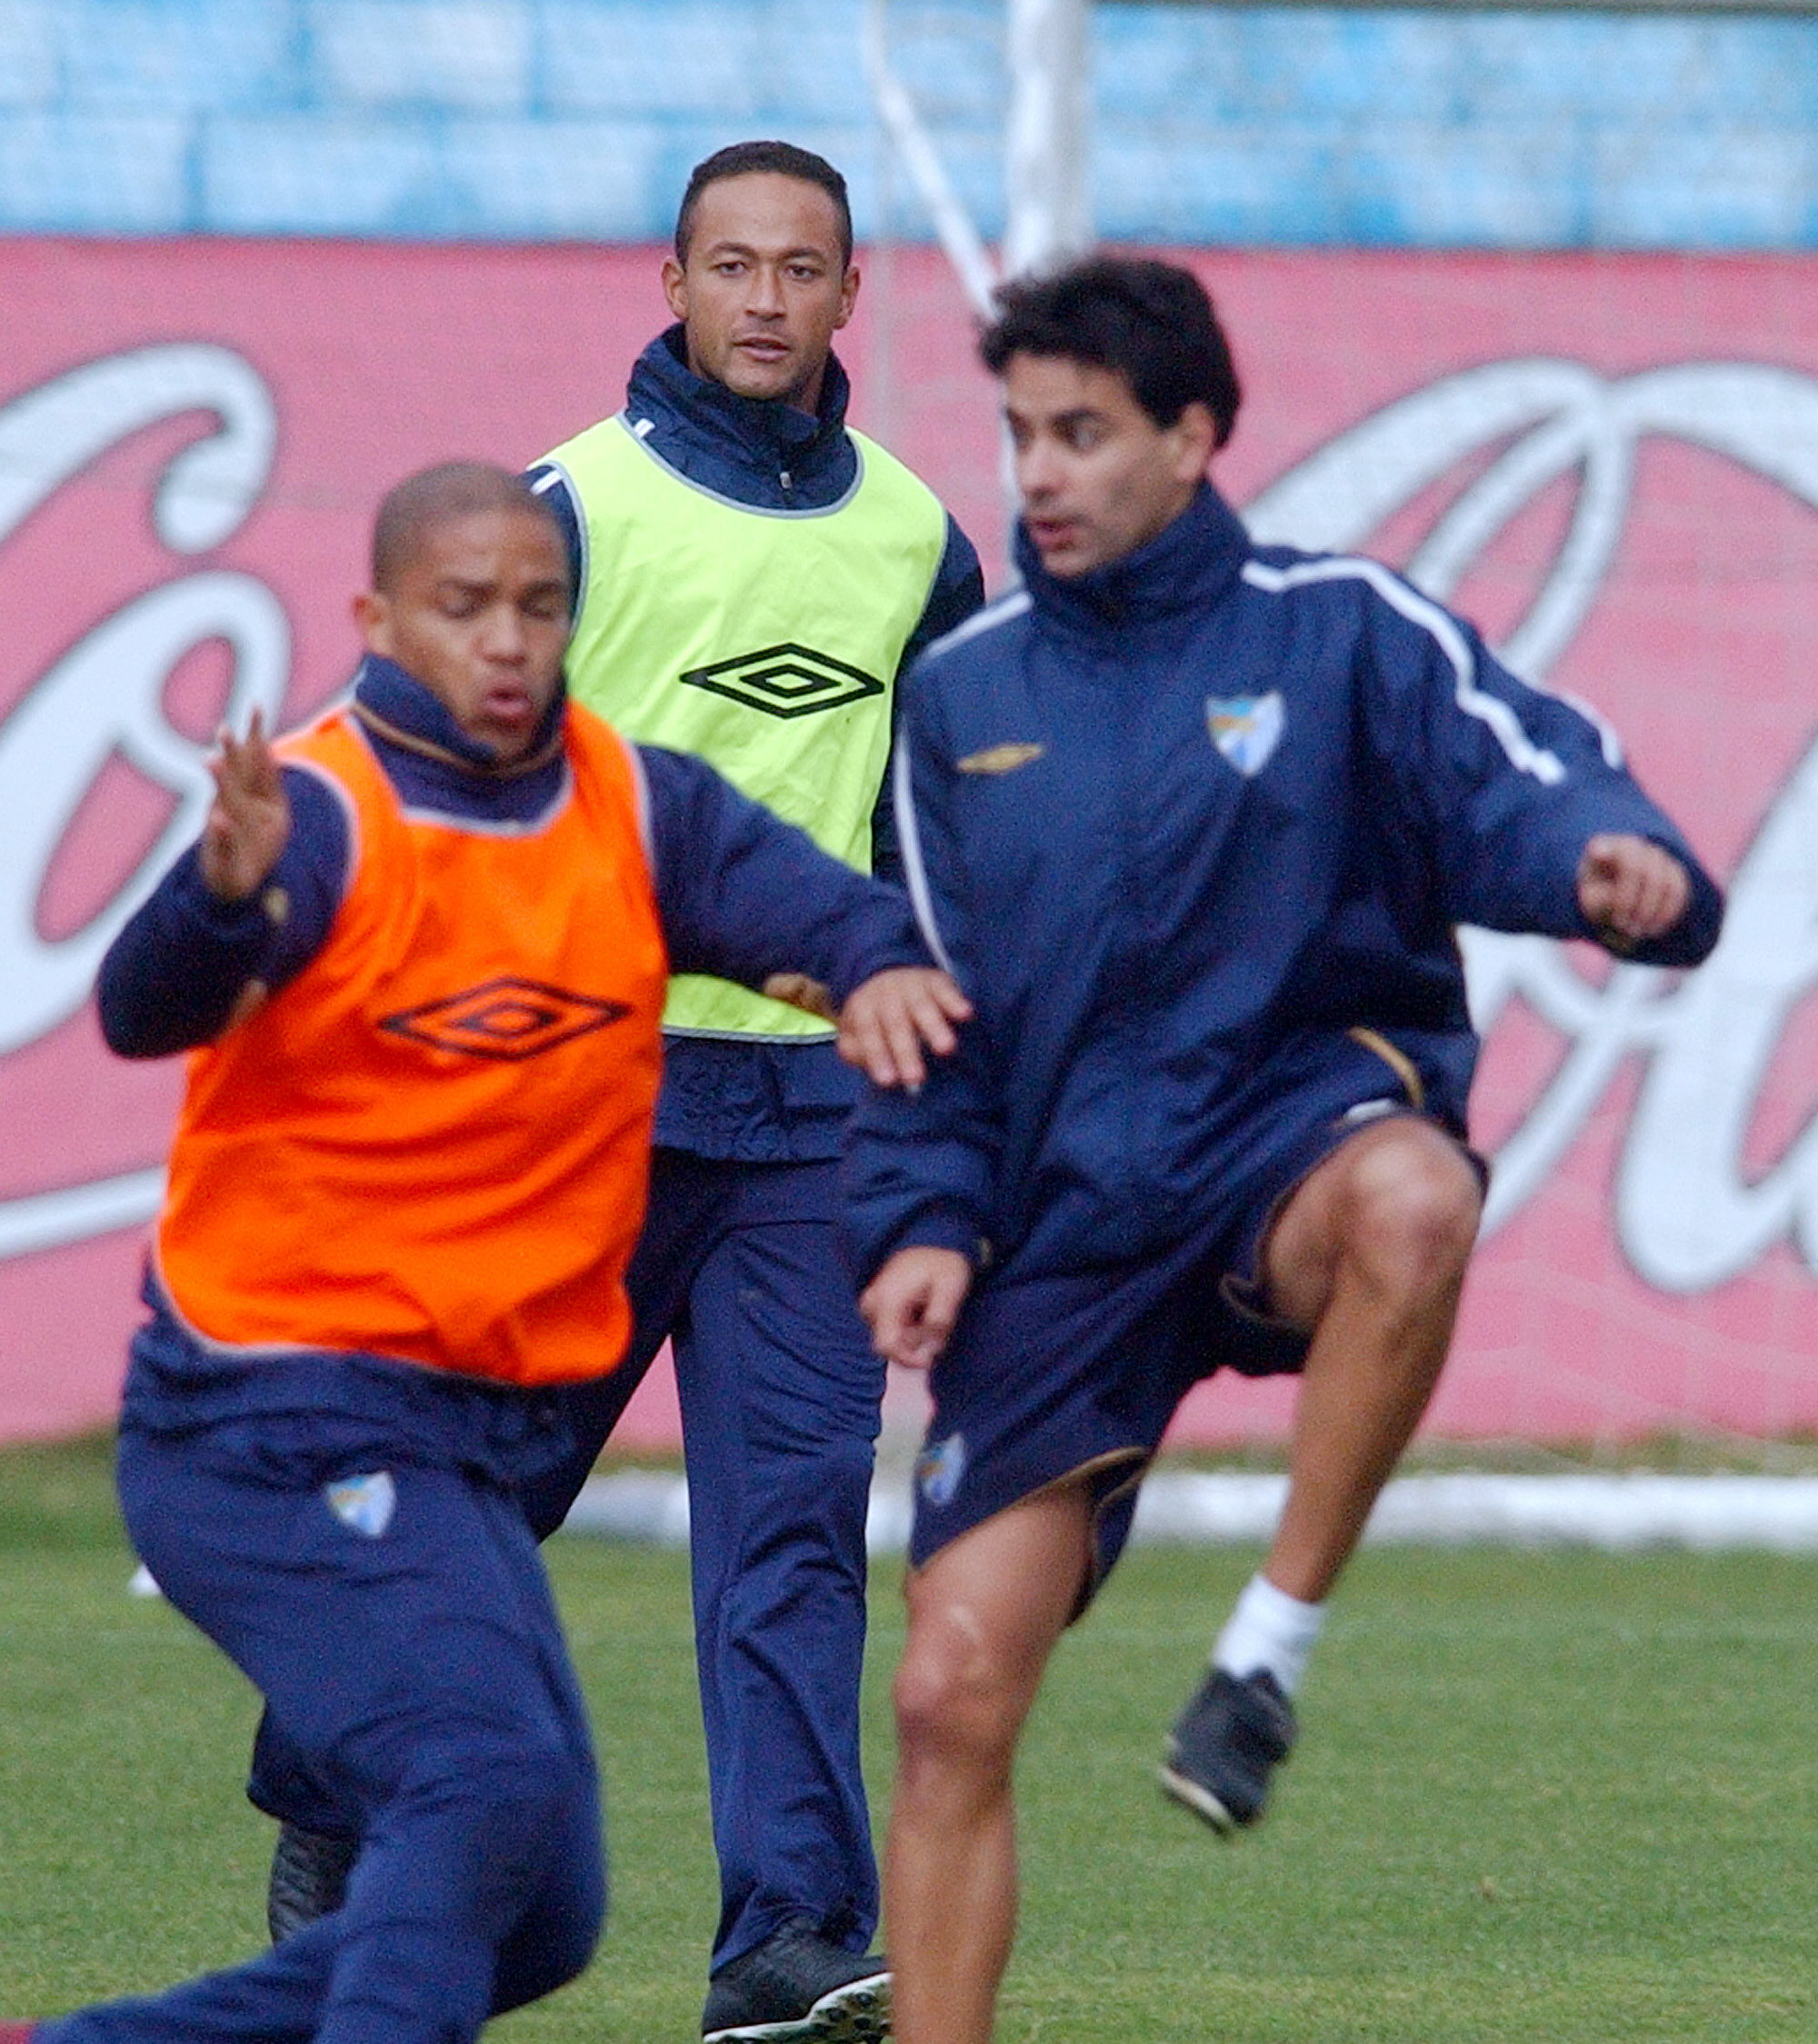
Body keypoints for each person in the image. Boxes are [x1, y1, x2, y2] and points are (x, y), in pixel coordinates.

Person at [843, 256, 1725, 2044]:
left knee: (1418, 1196)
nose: (1040, 476)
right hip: (1064, 1230)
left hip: (1287, 1149)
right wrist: (928, 1217)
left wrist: (1614, 869)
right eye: (1019, 435)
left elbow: (1534, 784)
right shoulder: (959, 699)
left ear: (1191, 435)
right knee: (945, 1698)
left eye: (1082, 434)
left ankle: (1264, 1656)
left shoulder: (1345, 633)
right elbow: (929, 1008)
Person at [5, 463, 963, 2044]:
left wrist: (872, 971)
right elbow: (145, 1003)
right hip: (263, 1420)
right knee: (483, 1782)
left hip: (453, 1434)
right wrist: (217, 903)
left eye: (538, 603)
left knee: (540, 1910)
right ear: (380, 619)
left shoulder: (634, 803)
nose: (508, 638)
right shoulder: (322, 809)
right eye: (464, 606)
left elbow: (828, 907)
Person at [255, 139, 984, 2044]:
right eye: (728, 264)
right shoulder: (570, 508)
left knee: (797, 1539)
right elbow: (425, 748)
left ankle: (787, 1947)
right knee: (476, 1508)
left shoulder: (917, 538)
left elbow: (952, 823)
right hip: (577, 1098)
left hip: (815, 1121)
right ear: (669, 283)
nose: (763, 297)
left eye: (799, 268)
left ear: (849, 298)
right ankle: (333, 1800)